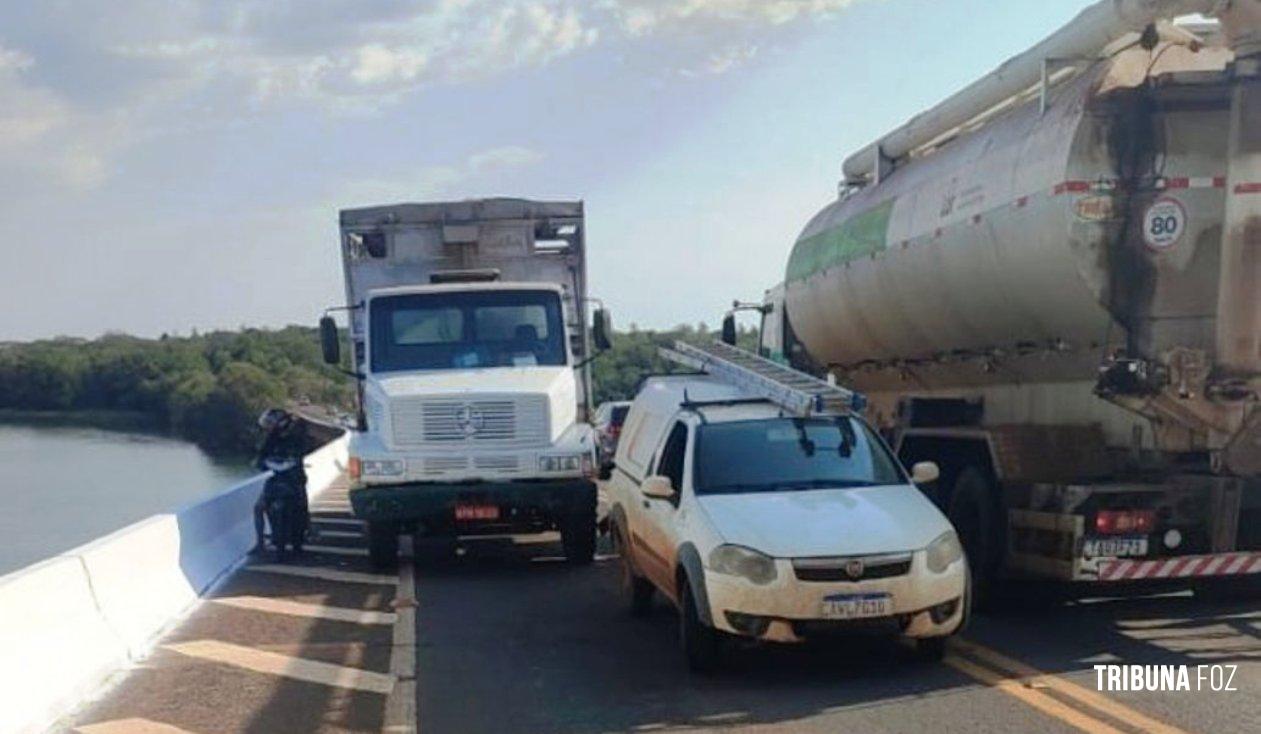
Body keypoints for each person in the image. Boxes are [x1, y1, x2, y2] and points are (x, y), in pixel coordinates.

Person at [252, 408, 311, 553]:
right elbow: (262, 454)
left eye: (271, 424)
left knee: (301, 506)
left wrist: (293, 460)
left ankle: (301, 536)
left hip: (294, 478)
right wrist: (260, 462)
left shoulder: (297, 434)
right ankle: (259, 543)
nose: (269, 427)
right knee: (258, 507)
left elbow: (302, 450)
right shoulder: (271, 437)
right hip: (276, 478)